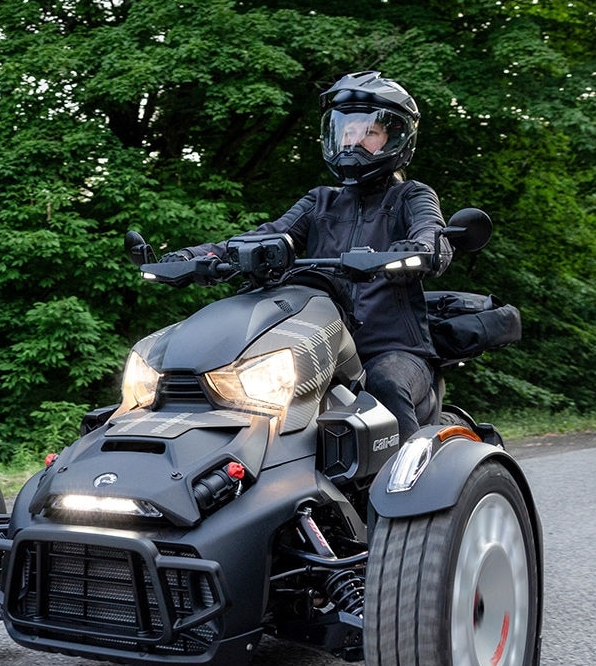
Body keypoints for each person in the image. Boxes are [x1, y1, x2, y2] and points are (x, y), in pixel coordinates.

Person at [167, 71, 452, 437]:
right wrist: (195, 256)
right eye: (346, 132)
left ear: (395, 138)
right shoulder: (320, 201)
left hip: (392, 348)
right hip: (320, 345)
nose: (354, 142)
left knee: (385, 385)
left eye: (369, 132)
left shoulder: (410, 196)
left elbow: (431, 229)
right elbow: (267, 236)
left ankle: (414, 484)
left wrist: (423, 248)